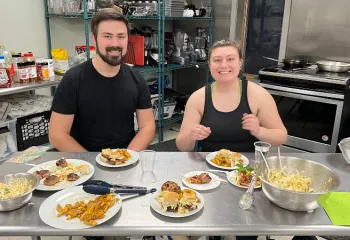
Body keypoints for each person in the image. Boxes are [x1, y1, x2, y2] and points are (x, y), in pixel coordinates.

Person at [49, 8, 155, 153]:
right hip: (83, 162)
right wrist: (93, 163)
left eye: (121, 36)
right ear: (94, 38)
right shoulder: (73, 79)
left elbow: (148, 127)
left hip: (125, 160)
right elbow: (57, 135)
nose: (115, 43)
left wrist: (126, 157)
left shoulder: (136, 78)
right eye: (107, 36)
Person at [176, 39, 287, 152]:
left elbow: (281, 137)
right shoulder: (197, 98)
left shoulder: (259, 95)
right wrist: (191, 137)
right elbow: (181, 146)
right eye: (217, 60)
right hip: (208, 166)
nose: (223, 65)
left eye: (230, 59)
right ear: (209, 65)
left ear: (240, 63)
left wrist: (259, 131)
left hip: (248, 167)